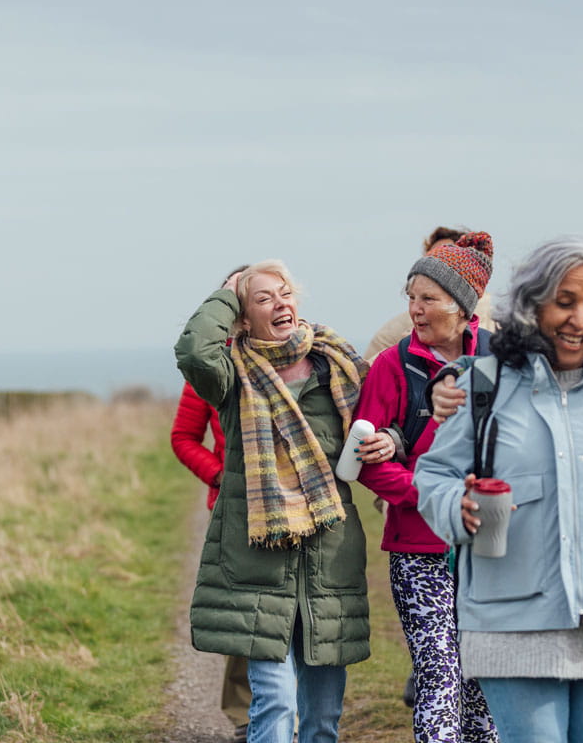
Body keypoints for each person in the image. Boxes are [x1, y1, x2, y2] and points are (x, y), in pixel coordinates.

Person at [416, 236, 583, 743]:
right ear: (531, 305)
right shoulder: (484, 387)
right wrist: (460, 506)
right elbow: (432, 476)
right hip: (509, 619)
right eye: (564, 302)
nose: (579, 320)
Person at [175, 259, 389, 743]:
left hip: (328, 560)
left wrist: (389, 440)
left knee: (321, 717)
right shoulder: (231, 376)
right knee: (274, 703)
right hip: (257, 561)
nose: (281, 303)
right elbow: (194, 352)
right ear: (243, 319)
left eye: (286, 292)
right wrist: (228, 292)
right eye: (264, 298)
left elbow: (386, 417)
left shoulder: (337, 366)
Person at [353, 233, 499, 742]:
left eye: (427, 298)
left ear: (462, 306)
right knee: (440, 675)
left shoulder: (499, 361)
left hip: (491, 547)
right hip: (418, 547)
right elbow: (368, 466)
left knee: (484, 679)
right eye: (410, 297)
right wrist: (435, 497)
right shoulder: (392, 367)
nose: (415, 309)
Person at [170, 265, 252, 743]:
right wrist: (219, 475)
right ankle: (244, 716)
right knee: (244, 616)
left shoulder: (294, 357)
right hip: (231, 509)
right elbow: (183, 437)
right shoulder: (213, 367)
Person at [363, 227, 499, 362]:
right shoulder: (392, 334)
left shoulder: (498, 325)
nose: (415, 309)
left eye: (450, 256)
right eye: (434, 255)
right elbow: (368, 373)